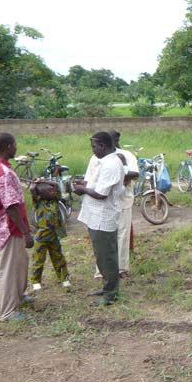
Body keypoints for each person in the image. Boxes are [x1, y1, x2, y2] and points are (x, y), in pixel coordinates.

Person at [0, 133, 34, 321]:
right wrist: (26, 232)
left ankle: (19, 296)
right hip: (8, 227)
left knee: (20, 262)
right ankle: (8, 311)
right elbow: (11, 206)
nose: (16, 147)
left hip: (2, 224)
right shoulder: (3, 173)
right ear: (9, 146)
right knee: (10, 268)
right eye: (15, 144)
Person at [74, 132, 125, 306]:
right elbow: (96, 185)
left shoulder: (111, 164)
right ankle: (107, 287)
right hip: (95, 216)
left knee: (107, 256)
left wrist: (83, 190)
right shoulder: (105, 162)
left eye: (94, 146)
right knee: (101, 255)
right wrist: (84, 185)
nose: (93, 149)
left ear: (103, 146)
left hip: (104, 217)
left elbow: (102, 194)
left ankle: (111, 293)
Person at [29, 179, 70, 292]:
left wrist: (44, 180)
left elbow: (56, 185)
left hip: (53, 236)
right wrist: (35, 183)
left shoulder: (55, 201)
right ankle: (36, 281)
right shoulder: (38, 202)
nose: (53, 192)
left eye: (53, 191)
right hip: (41, 237)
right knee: (38, 260)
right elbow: (32, 189)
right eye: (49, 191)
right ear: (42, 194)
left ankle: (64, 278)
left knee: (58, 257)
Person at [111, 131, 139, 279]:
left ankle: (122, 269)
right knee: (107, 236)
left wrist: (120, 179)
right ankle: (103, 269)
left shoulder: (125, 155)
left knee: (122, 234)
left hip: (123, 200)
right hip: (105, 201)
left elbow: (134, 174)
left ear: (116, 140)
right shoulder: (97, 156)